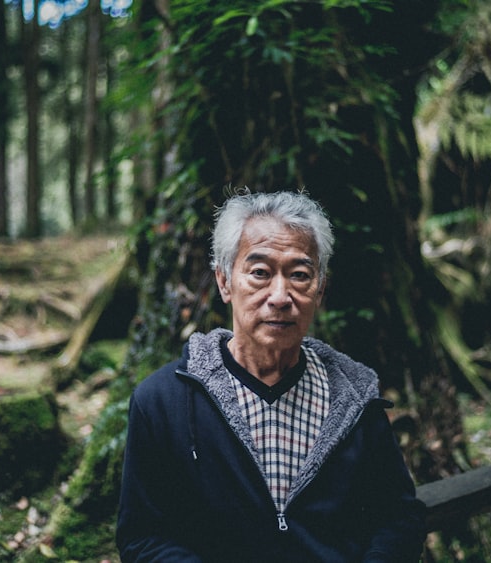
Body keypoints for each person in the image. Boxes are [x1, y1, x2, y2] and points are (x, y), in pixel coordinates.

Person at [116, 190, 426, 562]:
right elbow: (142, 536)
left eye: (299, 275)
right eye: (260, 273)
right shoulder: (162, 403)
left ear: (320, 289)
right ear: (224, 282)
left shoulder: (355, 399)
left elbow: (398, 516)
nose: (280, 296)